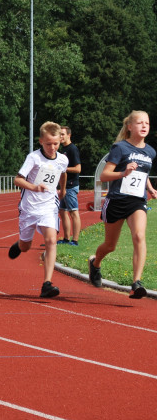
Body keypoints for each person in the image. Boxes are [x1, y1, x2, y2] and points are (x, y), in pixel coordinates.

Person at [88, 110, 157, 299]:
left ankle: (136, 283)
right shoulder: (120, 148)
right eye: (140, 123)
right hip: (117, 200)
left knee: (139, 236)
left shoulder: (150, 151)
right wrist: (123, 173)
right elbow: (104, 176)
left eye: (147, 123)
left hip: (137, 201)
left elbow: (143, 173)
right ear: (129, 126)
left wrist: (150, 188)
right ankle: (95, 263)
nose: (144, 126)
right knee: (110, 246)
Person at [7, 122, 68, 298]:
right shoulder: (33, 158)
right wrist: (34, 187)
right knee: (26, 246)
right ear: (41, 141)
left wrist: (62, 190)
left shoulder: (63, 159)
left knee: (51, 240)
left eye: (56, 144)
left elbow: (63, 173)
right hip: (29, 208)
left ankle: (47, 284)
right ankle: (19, 244)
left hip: (49, 206)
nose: (52, 147)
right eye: (48, 144)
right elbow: (18, 180)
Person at [57, 126, 81, 245]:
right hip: (64, 186)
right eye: (59, 134)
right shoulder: (62, 150)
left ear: (68, 135)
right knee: (62, 211)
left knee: (73, 212)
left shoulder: (72, 149)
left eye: (62, 134)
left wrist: (63, 168)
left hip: (71, 186)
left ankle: (75, 240)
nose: (60, 137)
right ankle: (66, 239)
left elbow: (78, 169)